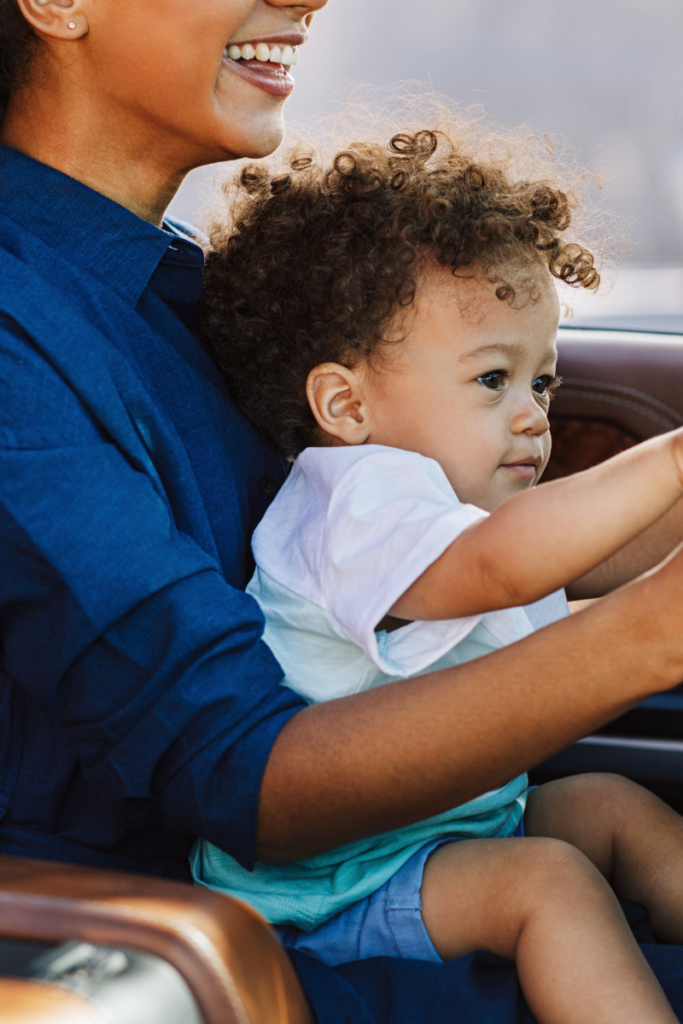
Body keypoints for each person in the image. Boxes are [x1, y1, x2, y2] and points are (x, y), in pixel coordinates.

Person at [3, 2, 683, 1021]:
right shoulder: (23, 342)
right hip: (231, 945)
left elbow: (477, 532)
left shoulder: (182, 285)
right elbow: (240, 776)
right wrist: (644, 635)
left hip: (425, 845)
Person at [192, 127, 683, 1023]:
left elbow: (565, 564)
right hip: (328, 890)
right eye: (493, 379)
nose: (533, 417)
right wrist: (673, 460)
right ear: (347, 403)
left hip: (439, 833)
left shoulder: (446, 511)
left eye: (542, 381)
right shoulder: (356, 500)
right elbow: (505, 569)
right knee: (548, 880)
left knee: (612, 806)